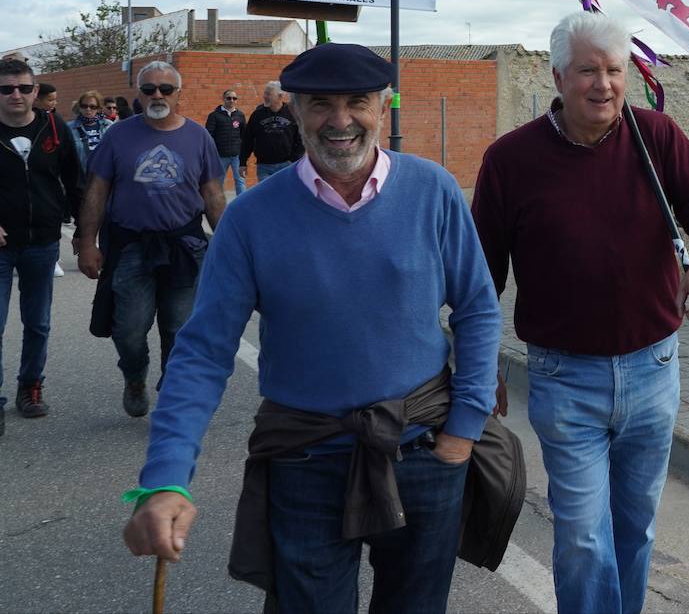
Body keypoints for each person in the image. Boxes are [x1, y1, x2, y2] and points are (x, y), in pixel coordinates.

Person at [121, 43, 501, 614]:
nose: (341, 120)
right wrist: (166, 478)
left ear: (384, 106)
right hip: (305, 455)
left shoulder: (433, 190)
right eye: (321, 104)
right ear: (293, 111)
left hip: (424, 448)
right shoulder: (251, 217)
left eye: (357, 103)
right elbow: (202, 352)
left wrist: (462, 433)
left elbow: (476, 307)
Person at [472, 11, 689, 614]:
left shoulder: (655, 137)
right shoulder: (511, 160)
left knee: (634, 531)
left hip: (654, 371)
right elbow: (480, 277)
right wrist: (476, 361)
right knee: (585, 541)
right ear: (557, 76)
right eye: (587, 70)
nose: (603, 84)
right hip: (567, 381)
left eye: (615, 70)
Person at [77, 62, 225, 418]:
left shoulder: (198, 136)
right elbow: (97, 190)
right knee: (128, 330)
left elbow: (213, 193)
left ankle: (173, 397)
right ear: (139, 95)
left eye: (165, 89)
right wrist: (86, 243)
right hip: (130, 247)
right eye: (149, 89)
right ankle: (134, 377)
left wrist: (228, 246)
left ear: (178, 95)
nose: (157, 95)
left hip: (185, 247)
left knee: (180, 329)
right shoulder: (118, 135)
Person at [0, 58, 82, 432]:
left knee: (38, 323)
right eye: (6, 89)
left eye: (23, 87)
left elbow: (75, 180)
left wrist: (84, 232)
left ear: (35, 91)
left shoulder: (54, 127)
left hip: (42, 242)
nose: (15, 95)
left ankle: (30, 388)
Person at [239, 81, 303, 182]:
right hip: (264, 166)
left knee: (284, 195)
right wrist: (242, 162)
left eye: (269, 93)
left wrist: (294, 160)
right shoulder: (257, 115)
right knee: (267, 196)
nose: (265, 96)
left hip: (286, 165)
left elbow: (301, 139)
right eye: (265, 93)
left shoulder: (292, 113)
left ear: (280, 96)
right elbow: (247, 140)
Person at [204, 89, 247, 197]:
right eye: (229, 98)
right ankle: (218, 207)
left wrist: (243, 152)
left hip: (237, 155)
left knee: (240, 181)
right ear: (223, 99)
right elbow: (208, 135)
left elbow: (244, 135)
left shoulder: (240, 115)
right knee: (219, 182)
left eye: (234, 98)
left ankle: (241, 205)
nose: (231, 100)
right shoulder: (214, 116)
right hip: (220, 156)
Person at [68, 89, 116, 171]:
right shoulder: (69, 128)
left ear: (98, 108)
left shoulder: (109, 125)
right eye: (84, 106)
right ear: (79, 107)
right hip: (81, 176)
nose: (88, 109)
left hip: (106, 175)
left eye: (92, 107)